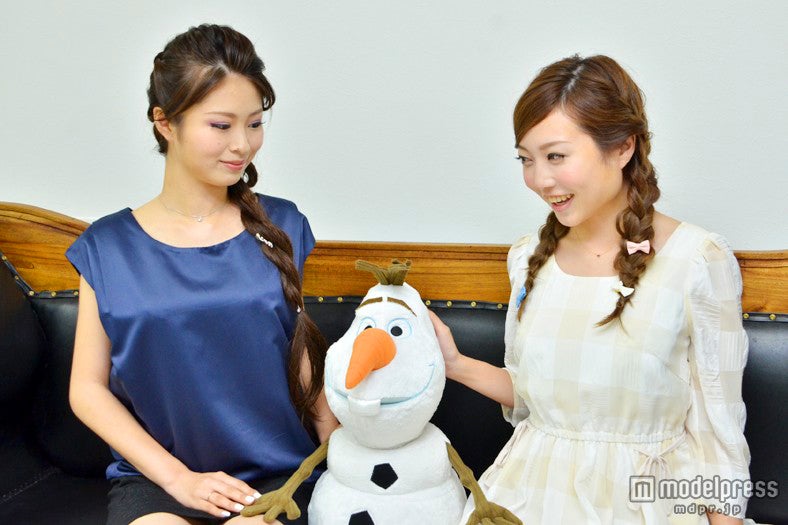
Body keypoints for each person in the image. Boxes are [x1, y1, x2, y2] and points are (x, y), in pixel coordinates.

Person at [430, 55, 751, 524]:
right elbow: (536, 400)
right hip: (526, 496)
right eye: (526, 159)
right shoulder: (527, 257)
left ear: (622, 147)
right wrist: (455, 364)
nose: (540, 180)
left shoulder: (697, 260)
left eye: (556, 156)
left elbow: (718, 439)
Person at [67, 24, 338, 525]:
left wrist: (343, 454)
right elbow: (86, 388)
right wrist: (178, 479)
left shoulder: (283, 225)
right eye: (221, 125)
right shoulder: (107, 246)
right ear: (164, 123)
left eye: (254, 124)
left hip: (278, 474)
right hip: (157, 479)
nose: (243, 145)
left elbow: (302, 356)